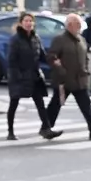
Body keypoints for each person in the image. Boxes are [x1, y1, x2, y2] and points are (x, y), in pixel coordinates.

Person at [46, 13, 91, 140]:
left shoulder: (81, 39)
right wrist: (60, 69)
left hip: (80, 79)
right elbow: (51, 56)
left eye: (80, 24)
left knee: (86, 105)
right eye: (77, 24)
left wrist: (86, 68)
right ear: (69, 25)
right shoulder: (60, 39)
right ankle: (46, 127)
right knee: (56, 104)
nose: (79, 26)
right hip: (64, 79)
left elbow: (84, 55)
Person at [6, 11, 54, 140]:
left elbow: (43, 56)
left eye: (30, 21)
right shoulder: (15, 39)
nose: (28, 23)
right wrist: (17, 76)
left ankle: (47, 129)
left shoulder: (36, 38)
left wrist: (54, 62)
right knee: (14, 104)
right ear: (21, 23)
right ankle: (10, 131)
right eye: (26, 21)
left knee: (40, 104)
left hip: (34, 76)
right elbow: (12, 60)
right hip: (20, 77)